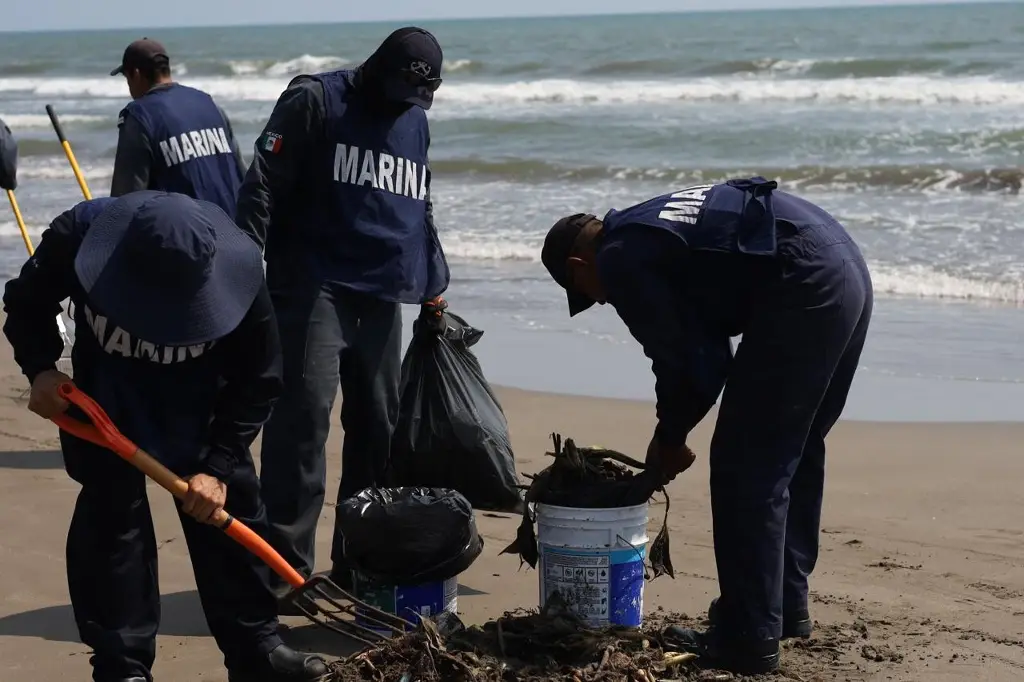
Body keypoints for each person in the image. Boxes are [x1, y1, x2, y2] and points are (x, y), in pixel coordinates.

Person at [540, 177, 873, 675]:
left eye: (590, 296)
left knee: (747, 467)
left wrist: (669, 438)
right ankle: (783, 607)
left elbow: (693, 360)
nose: (604, 303)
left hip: (801, 281)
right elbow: (706, 343)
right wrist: (674, 428)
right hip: (843, 262)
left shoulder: (619, 256)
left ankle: (747, 636)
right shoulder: (647, 224)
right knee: (792, 448)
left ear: (577, 267)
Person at [2, 191, 328, 682]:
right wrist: (41, 368)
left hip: (201, 404)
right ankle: (122, 664)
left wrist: (218, 466)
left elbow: (260, 378)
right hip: (106, 400)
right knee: (112, 525)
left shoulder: (239, 270)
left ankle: (257, 647)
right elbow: (26, 303)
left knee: (229, 510)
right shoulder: (78, 236)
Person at [234, 26, 451, 603]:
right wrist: (237, 273)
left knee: (378, 428)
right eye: (402, 92)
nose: (406, 106)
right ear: (378, 68)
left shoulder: (415, 121)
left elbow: (419, 202)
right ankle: (283, 569)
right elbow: (261, 187)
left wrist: (433, 279)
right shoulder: (316, 100)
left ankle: (359, 564)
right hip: (314, 286)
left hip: (382, 293)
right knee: (302, 422)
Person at [109, 38, 245, 218]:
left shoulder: (139, 116)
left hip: (185, 237)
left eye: (127, 79)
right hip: (236, 232)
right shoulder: (208, 103)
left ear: (136, 73)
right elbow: (242, 174)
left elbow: (126, 198)